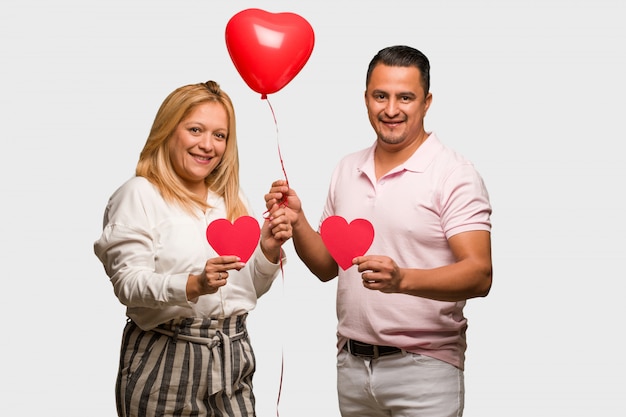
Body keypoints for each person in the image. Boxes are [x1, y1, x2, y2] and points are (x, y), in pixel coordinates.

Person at [265, 45, 492, 416]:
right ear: (366, 98)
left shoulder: (453, 173)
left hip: (425, 370)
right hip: (351, 367)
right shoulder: (346, 168)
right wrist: (298, 219)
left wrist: (402, 279)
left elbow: (480, 274)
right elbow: (327, 267)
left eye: (405, 97)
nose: (390, 109)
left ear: (426, 101)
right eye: (380, 96)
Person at [94, 80, 292, 417]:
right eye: (196, 130)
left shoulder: (230, 199)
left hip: (232, 353)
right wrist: (193, 285)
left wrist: (268, 250)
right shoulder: (139, 194)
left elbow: (246, 290)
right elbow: (128, 285)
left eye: (219, 135)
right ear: (169, 131)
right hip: (165, 355)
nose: (207, 145)